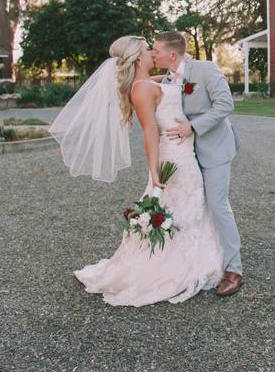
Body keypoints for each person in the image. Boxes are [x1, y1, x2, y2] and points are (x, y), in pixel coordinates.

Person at [49, 35, 225, 306]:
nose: (153, 54)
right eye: (148, 51)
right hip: (174, 156)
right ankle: (172, 265)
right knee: (182, 203)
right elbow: (150, 133)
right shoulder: (141, 89)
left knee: (191, 205)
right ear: (138, 57)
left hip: (186, 151)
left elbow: (171, 83)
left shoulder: (149, 82)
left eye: (154, 50)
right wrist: (154, 172)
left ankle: (197, 256)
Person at [151, 31, 244, 296]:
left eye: (156, 50)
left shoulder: (205, 70)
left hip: (214, 148)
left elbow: (225, 104)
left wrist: (193, 126)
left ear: (172, 54)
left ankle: (234, 270)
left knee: (217, 204)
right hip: (185, 155)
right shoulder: (168, 78)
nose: (153, 53)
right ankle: (202, 262)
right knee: (196, 206)